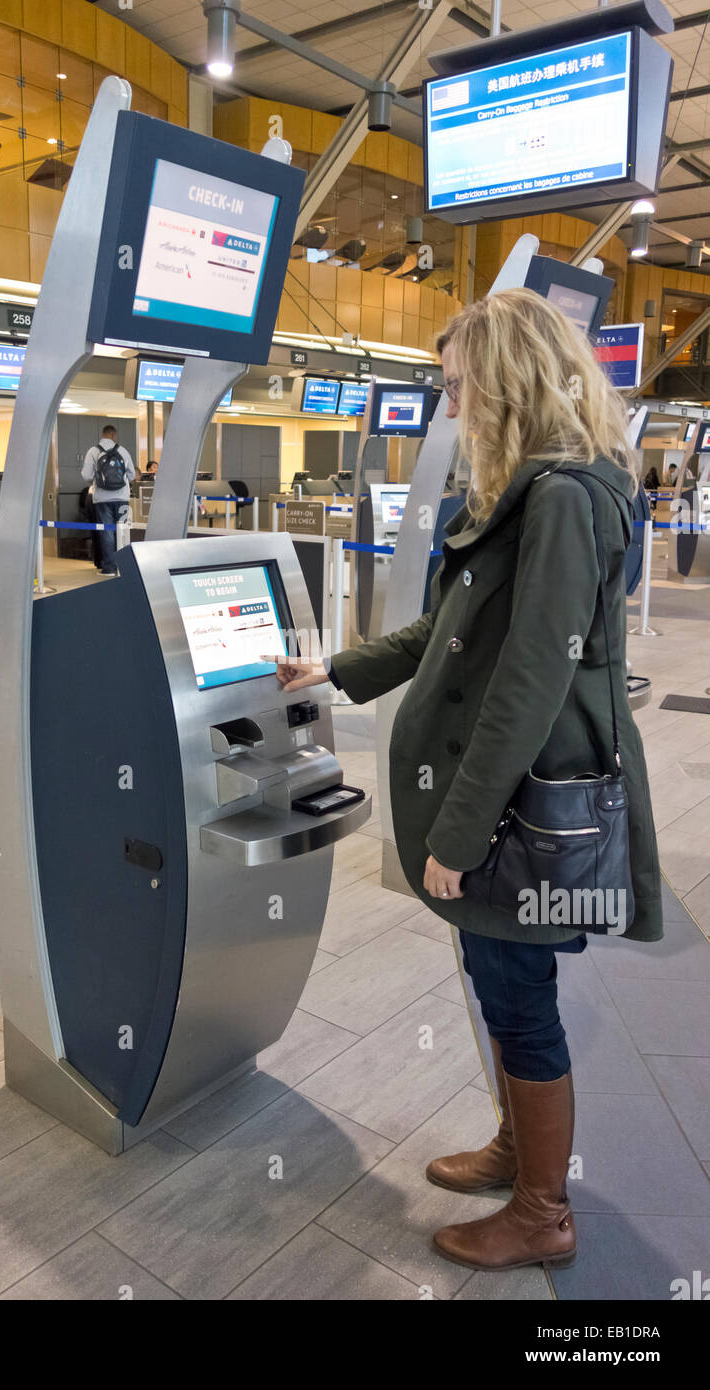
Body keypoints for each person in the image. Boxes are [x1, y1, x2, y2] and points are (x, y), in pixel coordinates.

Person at [272, 288, 662, 1274]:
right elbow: (449, 628)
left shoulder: (565, 499)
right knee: (501, 980)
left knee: (517, 989)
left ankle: (541, 1211)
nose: (448, 408)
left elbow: (528, 679)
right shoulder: (529, 492)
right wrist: (336, 668)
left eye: (456, 387)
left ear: (506, 381)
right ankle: (512, 1148)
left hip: (526, 799)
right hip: (513, 794)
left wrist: (458, 830)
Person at [81, 425, 136, 575]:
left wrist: (99, 480)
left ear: (103, 434)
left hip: (102, 499)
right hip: (122, 498)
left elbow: (86, 475)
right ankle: (124, 567)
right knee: (123, 532)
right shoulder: (123, 451)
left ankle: (109, 568)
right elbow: (132, 476)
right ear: (114, 436)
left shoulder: (93, 451)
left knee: (106, 532)